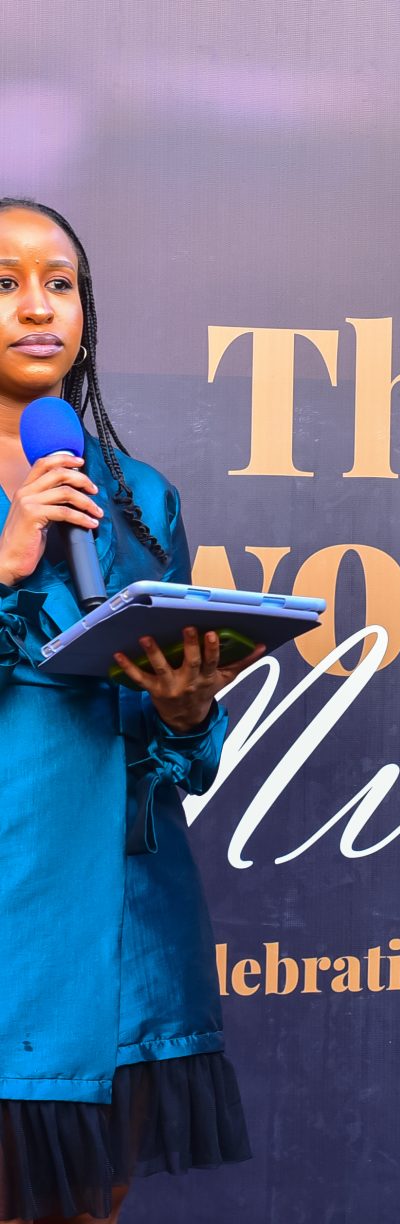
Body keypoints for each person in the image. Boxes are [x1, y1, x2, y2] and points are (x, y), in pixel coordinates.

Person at [0, 199, 263, 1223]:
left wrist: (186, 711)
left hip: (127, 906)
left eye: (60, 283)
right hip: (12, 899)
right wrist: (7, 558)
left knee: (90, 1201)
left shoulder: (138, 495)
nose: (38, 307)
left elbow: (172, 752)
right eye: (4, 283)